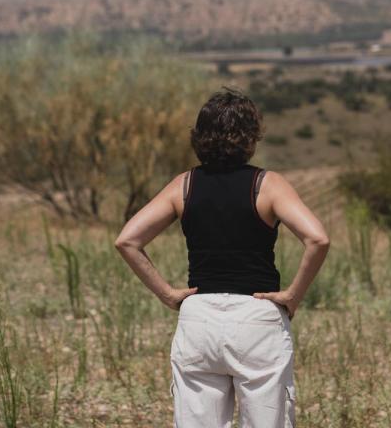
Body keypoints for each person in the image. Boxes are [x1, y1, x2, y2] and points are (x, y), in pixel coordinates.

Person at [114, 88, 330, 427]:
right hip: (258, 317)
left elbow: (127, 240)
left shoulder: (183, 185)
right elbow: (317, 238)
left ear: (200, 137)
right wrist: (292, 296)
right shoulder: (267, 184)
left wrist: (167, 294)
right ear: (250, 137)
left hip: (199, 318)